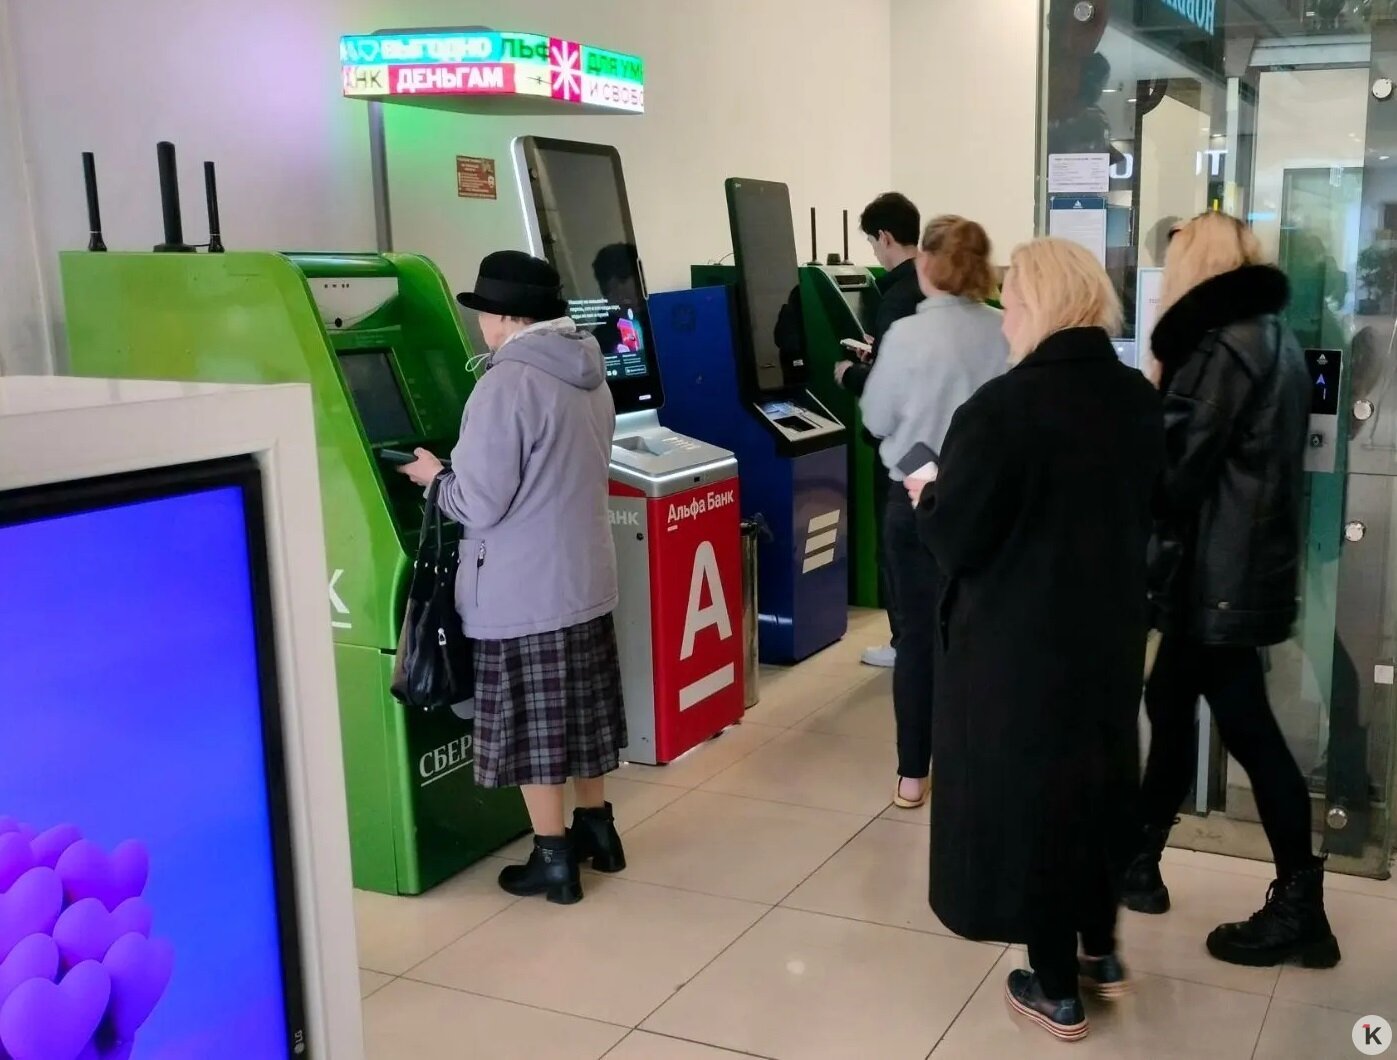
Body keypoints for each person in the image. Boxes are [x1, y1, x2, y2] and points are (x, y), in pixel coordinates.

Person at [912, 238, 1163, 1042]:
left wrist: (925, 494)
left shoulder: (1000, 410)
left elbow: (957, 539)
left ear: (1038, 306)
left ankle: (1054, 985)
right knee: (1096, 783)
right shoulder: (1133, 397)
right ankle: (1100, 950)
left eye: (1010, 302)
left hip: (1019, 648)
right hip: (1108, 636)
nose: (1002, 319)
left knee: (1035, 804)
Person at [1122, 212, 1342, 970]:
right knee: (1168, 700)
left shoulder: (1219, 347)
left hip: (1215, 576)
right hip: (1234, 569)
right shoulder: (1273, 337)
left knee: (1249, 731)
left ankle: (1299, 905)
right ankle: (1139, 862)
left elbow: (1173, 470)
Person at [400, 250, 626, 906]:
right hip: (583, 575)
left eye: (483, 315)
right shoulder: (587, 368)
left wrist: (432, 478)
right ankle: (598, 831)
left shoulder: (507, 384)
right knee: (583, 715)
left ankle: (553, 859)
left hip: (524, 588)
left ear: (501, 318)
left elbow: (478, 502)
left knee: (536, 729)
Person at [859, 216, 1007, 810]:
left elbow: (875, 418)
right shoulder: (1005, 330)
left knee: (919, 639)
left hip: (916, 499)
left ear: (927, 265)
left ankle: (912, 775)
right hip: (985, 504)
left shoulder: (907, 336)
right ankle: (972, 768)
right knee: (979, 639)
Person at [836, 192, 926, 670]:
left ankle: (903, 641)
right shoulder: (929, 285)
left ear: (885, 237)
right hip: (934, 438)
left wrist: (850, 374)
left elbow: (889, 387)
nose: (874, 251)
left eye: (873, 242)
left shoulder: (893, 297)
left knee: (897, 544)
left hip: (901, 445)